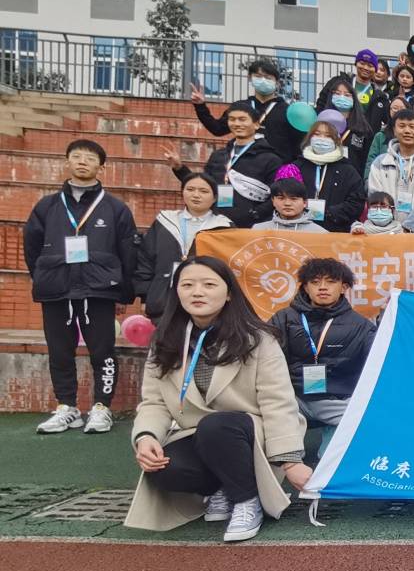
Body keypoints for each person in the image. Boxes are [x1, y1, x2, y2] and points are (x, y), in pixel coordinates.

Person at [125, 256, 308, 542]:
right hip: (198, 435)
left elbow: (278, 402)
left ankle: (247, 501)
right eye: (187, 285)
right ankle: (221, 487)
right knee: (163, 469)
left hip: (249, 435)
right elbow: (154, 402)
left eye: (209, 285)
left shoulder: (258, 339)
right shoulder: (165, 341)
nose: (197, 292)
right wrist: (146, 437)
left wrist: (290, 461)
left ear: (229, 293)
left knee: (217, 427)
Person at [24, 138, 138, 435]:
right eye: (76, 156)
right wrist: (44, 276)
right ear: (67, 162)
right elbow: (31, 246)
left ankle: (102, 407)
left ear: (101, 166)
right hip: (57, 288)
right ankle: (67, 407)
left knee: (103, 351)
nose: (83, 161)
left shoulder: (115, 208)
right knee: (59, 351)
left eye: (90, 157)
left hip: (98, 288)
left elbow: (128, 251)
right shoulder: (47, 206)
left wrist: (123, 291)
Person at [268, 257, 377, 460]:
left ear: (344, 287)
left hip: (336, 401)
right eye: (315, 282)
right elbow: (266, 363)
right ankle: (288, 459)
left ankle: (329, 452)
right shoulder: (284, 318)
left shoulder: (362, 326)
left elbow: (377, 367)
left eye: (331, 282)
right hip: (292, 398)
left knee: (369, 420)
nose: (323, 287)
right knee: (259, 415)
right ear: (306, 287)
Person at [165, 101, 282, 229]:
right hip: (215, 223)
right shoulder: (218, 156)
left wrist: (254, 214)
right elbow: (203, 186)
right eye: (232, 119)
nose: (237, 124)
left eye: (242, 119)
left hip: (251, 228)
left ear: (256, 124)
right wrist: (179, 168)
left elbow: (277, 195)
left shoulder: (271, 159)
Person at [135, 172, 232, 321]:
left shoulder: (224, 227)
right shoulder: (165, 221)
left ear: (214, 198)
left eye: (204, 191)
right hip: (164, 299)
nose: (196, 195)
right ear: (182, 193)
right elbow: (146, 259)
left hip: (205, 300)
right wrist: (145, 296)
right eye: (190, 189)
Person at [190, 57, 304, 163]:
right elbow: (217, 129)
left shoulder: (288, 111)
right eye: (258, 76)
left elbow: (298, 145)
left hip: (277, 169)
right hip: (244, 167)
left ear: (277, 83)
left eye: (268, 78)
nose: (263, 80)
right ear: (250, 78)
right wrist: (200, 106)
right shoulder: (239, 107)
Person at [297, 120, 366, 234]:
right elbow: (285, 195)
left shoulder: (347, 170)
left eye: (328, 136)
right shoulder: (297, 166)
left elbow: (356, 202)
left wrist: (330, 212)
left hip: (336, 231)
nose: (322, 139)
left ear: (336, 141)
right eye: (317, 134)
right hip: (299, 229)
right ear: (309, 137)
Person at [314, 76, 375, 178]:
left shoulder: (363, 128)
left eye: (347, 95)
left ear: (353, 99)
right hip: (324, 175)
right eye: (337, 94)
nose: (342, 97)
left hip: (352, 178)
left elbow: (366, 160)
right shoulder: (322, 123)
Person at [252, 172, 327, 233]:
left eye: (294, 199)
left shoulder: (320, 234)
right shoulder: (258, 230)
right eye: (281, 198)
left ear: (305, 203)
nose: (287, 203)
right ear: (273, 201)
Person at [363, 97, 407, 182]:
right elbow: (371, 161)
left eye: (402, 108)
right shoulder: (380, 136)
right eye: (394, 108)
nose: (398, 111)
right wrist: (368, 182)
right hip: (382, 182)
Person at [351, 49, 391, 136]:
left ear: (374, 69)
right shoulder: (341, 83)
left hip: (368, 140)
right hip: (341, 136)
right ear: (356, 64)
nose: (365, 68)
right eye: (362, 63)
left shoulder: (381, 96)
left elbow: (389, 120)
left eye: (370, 65)